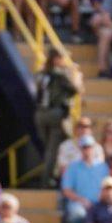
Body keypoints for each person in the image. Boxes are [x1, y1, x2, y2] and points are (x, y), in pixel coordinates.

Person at [35, 49, 81, 184]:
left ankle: (49, 176)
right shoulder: (60, 73)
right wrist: (75, 75)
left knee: (47, 147)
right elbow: (75, 89)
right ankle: (47, 180)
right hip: (55, 114)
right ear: (56, 59)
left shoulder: (41, 73)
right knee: (53, 149)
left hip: (39, 114)